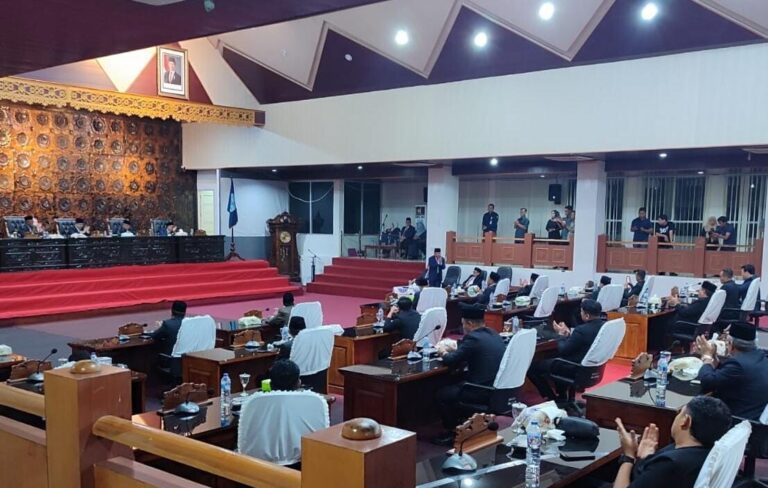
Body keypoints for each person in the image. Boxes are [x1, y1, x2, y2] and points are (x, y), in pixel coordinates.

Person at [613, 396, 732, 488]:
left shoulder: (669, 464)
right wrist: (646, 458)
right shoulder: (710, 453)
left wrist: (628, 456)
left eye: (680, 413)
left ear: (685, 421)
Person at [434, 307, 506, 443]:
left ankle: (453, 432)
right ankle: (465, 424)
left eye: (463, 324)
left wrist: (442, 350)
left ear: (470, 324)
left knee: (442, 394)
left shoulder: (473, 338)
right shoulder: (493, 333)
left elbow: (450, 360)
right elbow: (471, 349)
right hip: (496, 389)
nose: (463, 327)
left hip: (480, 390)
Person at [527, 299, 604, 401]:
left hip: (575, 368)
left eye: (581, 312)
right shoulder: (604, 327)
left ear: (587, 315)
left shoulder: (581, 330)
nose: (580, 314)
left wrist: (560, 334)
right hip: (593, 369)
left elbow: (563, 350)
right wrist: (567, 334)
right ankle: (562, 395)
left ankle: (552, 398)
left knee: (532, 367)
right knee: (556, 361)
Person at [695, 321, 768, 420]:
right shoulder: (760, 356)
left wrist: (707, 356)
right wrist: (714, 357)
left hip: (737, 419)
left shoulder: (738, 364)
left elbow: (707, 382)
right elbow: (728, 374)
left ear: (731, 343)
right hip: (755, 414)